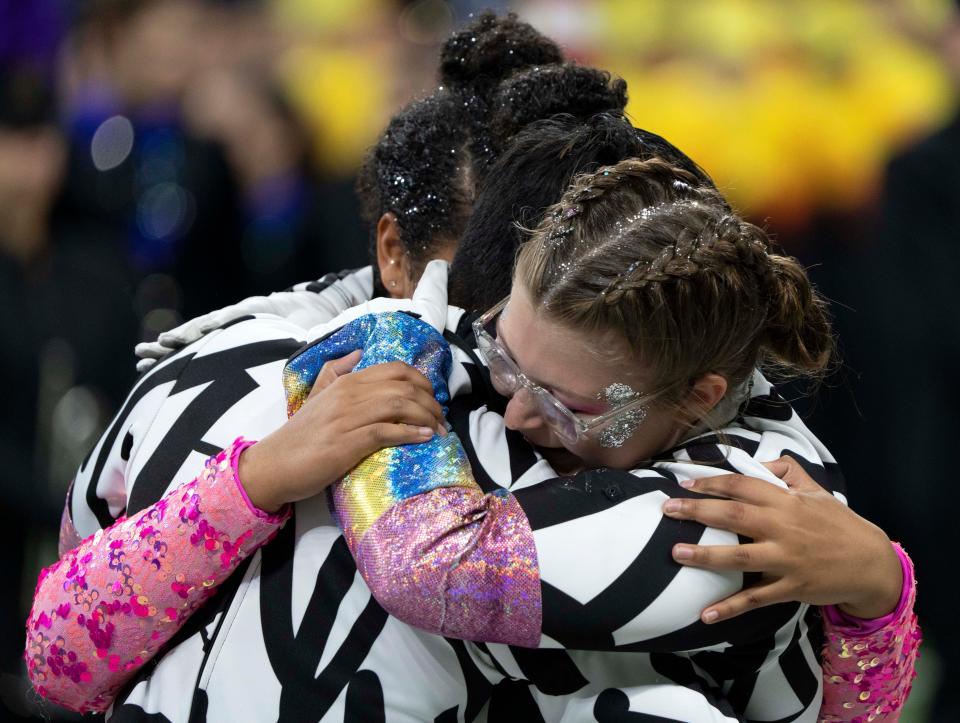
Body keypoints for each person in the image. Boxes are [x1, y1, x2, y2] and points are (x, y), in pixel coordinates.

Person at [28, 115, 917, 722]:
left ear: (702, 391)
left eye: (567, 399)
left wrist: (880, 592)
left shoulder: (753, 480)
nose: (516, 409)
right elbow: (60, 652)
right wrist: (258, 475)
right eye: (494, 349)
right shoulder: (268, 361)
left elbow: (433, 559)